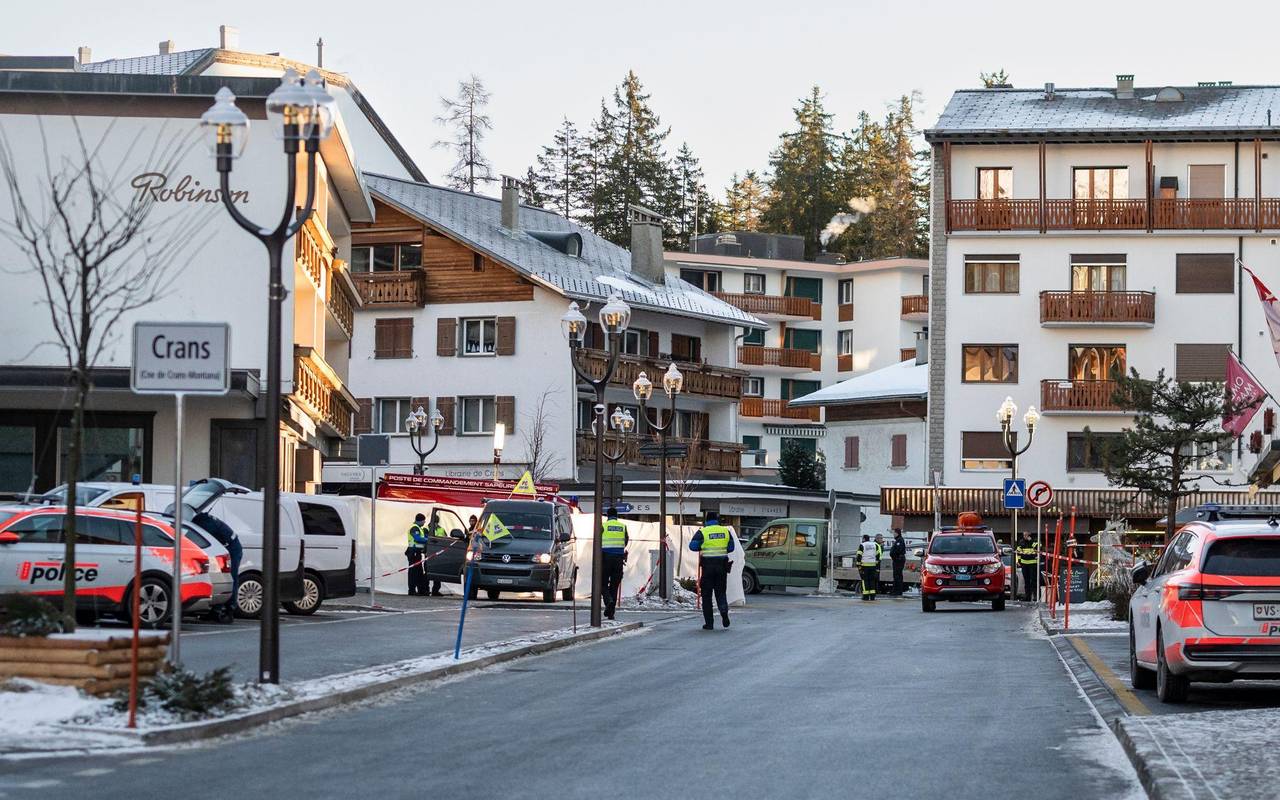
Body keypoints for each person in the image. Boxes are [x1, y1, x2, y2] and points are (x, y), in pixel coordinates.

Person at [192, 507, 240, 619]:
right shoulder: (203, 519)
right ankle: (218, 609)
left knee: (228, 578)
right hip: (231, 545)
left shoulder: (204, 525)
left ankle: (229, 610)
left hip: (232, 548)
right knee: (223, 577)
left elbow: (208, 543)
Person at [689, 511, 734, 630]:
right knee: (720, 593)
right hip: (722, 567)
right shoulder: (725, 531)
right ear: (717, 520)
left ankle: (709, 623)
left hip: (708, 567)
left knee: (707, 595)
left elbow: (692, 546)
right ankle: (724, 613)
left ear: (706, 520)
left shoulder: (703, 532)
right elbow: (731, 547)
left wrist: (702, 546)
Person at [600, 507, 628, 620]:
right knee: (614, 586)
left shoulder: (603, 526)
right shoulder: (622, 526)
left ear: (607, 516)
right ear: (616, 516)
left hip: (605, 558)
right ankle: (611, 613)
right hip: (619, 559)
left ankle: (609, 601)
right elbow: (626, 541)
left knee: (602, 583)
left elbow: (598, 541)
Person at [406, 513, 430, 596]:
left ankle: (420, 590)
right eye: (423, 520)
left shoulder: (419, 528)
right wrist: (428, 540)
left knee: (419, 571)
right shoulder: (414, 528)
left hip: (417, 553)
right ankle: (412, 590)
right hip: (413, 552)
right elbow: (417, 539)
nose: (424, 522)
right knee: (413, 572)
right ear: (420, 520)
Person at [1016, 531, 1040, 602]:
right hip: (1024, 564)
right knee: (1026, 581)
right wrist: (1019, 561)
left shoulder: (1034, 541)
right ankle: (1027, 597)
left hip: (1032, 563)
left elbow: (1037, 547)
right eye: (1024, 535)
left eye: (1026, 535)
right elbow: (1018, 552)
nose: (1025, 536)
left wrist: (1031, 541)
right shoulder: (1021, 542)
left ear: (1029, 535)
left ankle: (1035, 596)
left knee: (1033, 580)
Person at [857, 534, 881, 601]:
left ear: (864, 539)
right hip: (873, 566)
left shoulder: (862, 545)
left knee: (865, 581)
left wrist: (859, 566)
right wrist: (876, 565)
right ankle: (872, 596)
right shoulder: (874, 545)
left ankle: (865, 596)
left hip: (865, 566)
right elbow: (878, 555)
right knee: (872, 581)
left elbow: (859, 555)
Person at [889, 529, 907, 596]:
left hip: (898, 560)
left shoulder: (900, 540)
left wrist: (895, 557)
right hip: (897, 560)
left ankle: (898, 591)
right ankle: (896, 590)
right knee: (896, 575)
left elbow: (898, 550)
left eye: (894, 533)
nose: (893, 534)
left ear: (897, 533)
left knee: (898, 576)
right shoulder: (898, 540)